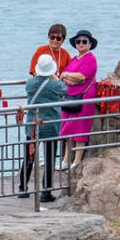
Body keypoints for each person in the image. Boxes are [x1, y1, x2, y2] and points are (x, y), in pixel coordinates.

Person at [21, 54, 66, 201]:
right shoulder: (55, 85)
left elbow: (30, 86)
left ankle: (23, 187)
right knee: (49, 157)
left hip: (33, 124)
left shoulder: (30, 84)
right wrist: (56, 78)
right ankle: (46, 192)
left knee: (29, 155)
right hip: (51, 124)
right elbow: (64, 90)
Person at [59, 29, 100, 169]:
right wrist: (69, 77)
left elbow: (82, 76)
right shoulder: (74, 59)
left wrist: (68, 75)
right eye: (78, 41)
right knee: (67, 126)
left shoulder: (91, 59)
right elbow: (64, 76)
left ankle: (76, 161)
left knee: (80, 127)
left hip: (84, 97)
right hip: (70, 96)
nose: (81, 44)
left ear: (90, 44)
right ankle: (65, 159)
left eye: (84, 41)